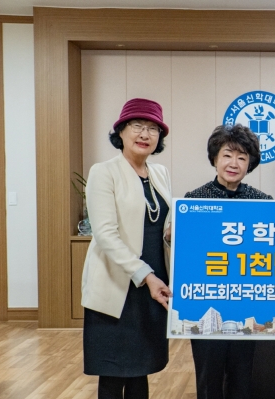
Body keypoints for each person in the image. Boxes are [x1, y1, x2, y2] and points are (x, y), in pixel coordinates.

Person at [82, 98, 172, 399]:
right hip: (118, 284)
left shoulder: (160, 173)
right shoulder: (103, 172)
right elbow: (105, 235)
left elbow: (161, 224)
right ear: (120, 131)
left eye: (152, 129)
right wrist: (145, 275)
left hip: (154, 282)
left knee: (140, 368)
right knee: (113, 373)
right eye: (137, 126)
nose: (145, 134)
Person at [185, 124, 272, 399]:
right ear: (215, 158)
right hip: (206, 303)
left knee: (242, 376)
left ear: (250, 164)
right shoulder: (193, 201)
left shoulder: (263, 202)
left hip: (247, 303)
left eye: (242, 157)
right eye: (227, 155)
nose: (234, 163)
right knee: (208, 378)